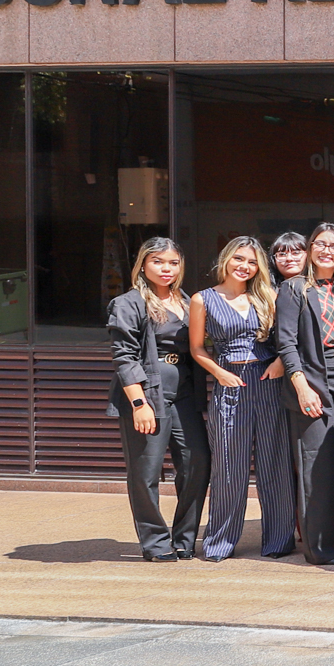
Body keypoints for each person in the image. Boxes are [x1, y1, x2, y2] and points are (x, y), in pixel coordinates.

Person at [188, 235, 290, 562]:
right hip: (230, 383)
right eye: (239, 259)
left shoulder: (268, 296)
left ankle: (278, 542)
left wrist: (279, 363)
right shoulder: (202, 299)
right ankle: (220, 543)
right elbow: (196, 349)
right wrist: (218, 373)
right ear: (226, 261)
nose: (244, 267)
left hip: (268, 381)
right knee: (229, 465)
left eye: (251, 262)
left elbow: (286, 340)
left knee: (274, 464)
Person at [109, 237, 209, 562]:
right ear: (143, 264)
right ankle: (155, 543)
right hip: (148, 394)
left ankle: (184, 538)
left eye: (173, 263)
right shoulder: (129, 302)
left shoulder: (188, 300)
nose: (166, 268)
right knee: (146, 472)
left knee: (197, 464)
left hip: (185, 396)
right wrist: (139, 404)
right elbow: (124, 357)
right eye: (158, 262)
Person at [275, 222, 334, 566]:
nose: (327, 251)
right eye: (320, 244)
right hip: (312, 379)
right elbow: (285, 342)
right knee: (316, 467)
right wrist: (301, 386)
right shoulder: (294, 288)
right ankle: (320, 548)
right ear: (310, 249)